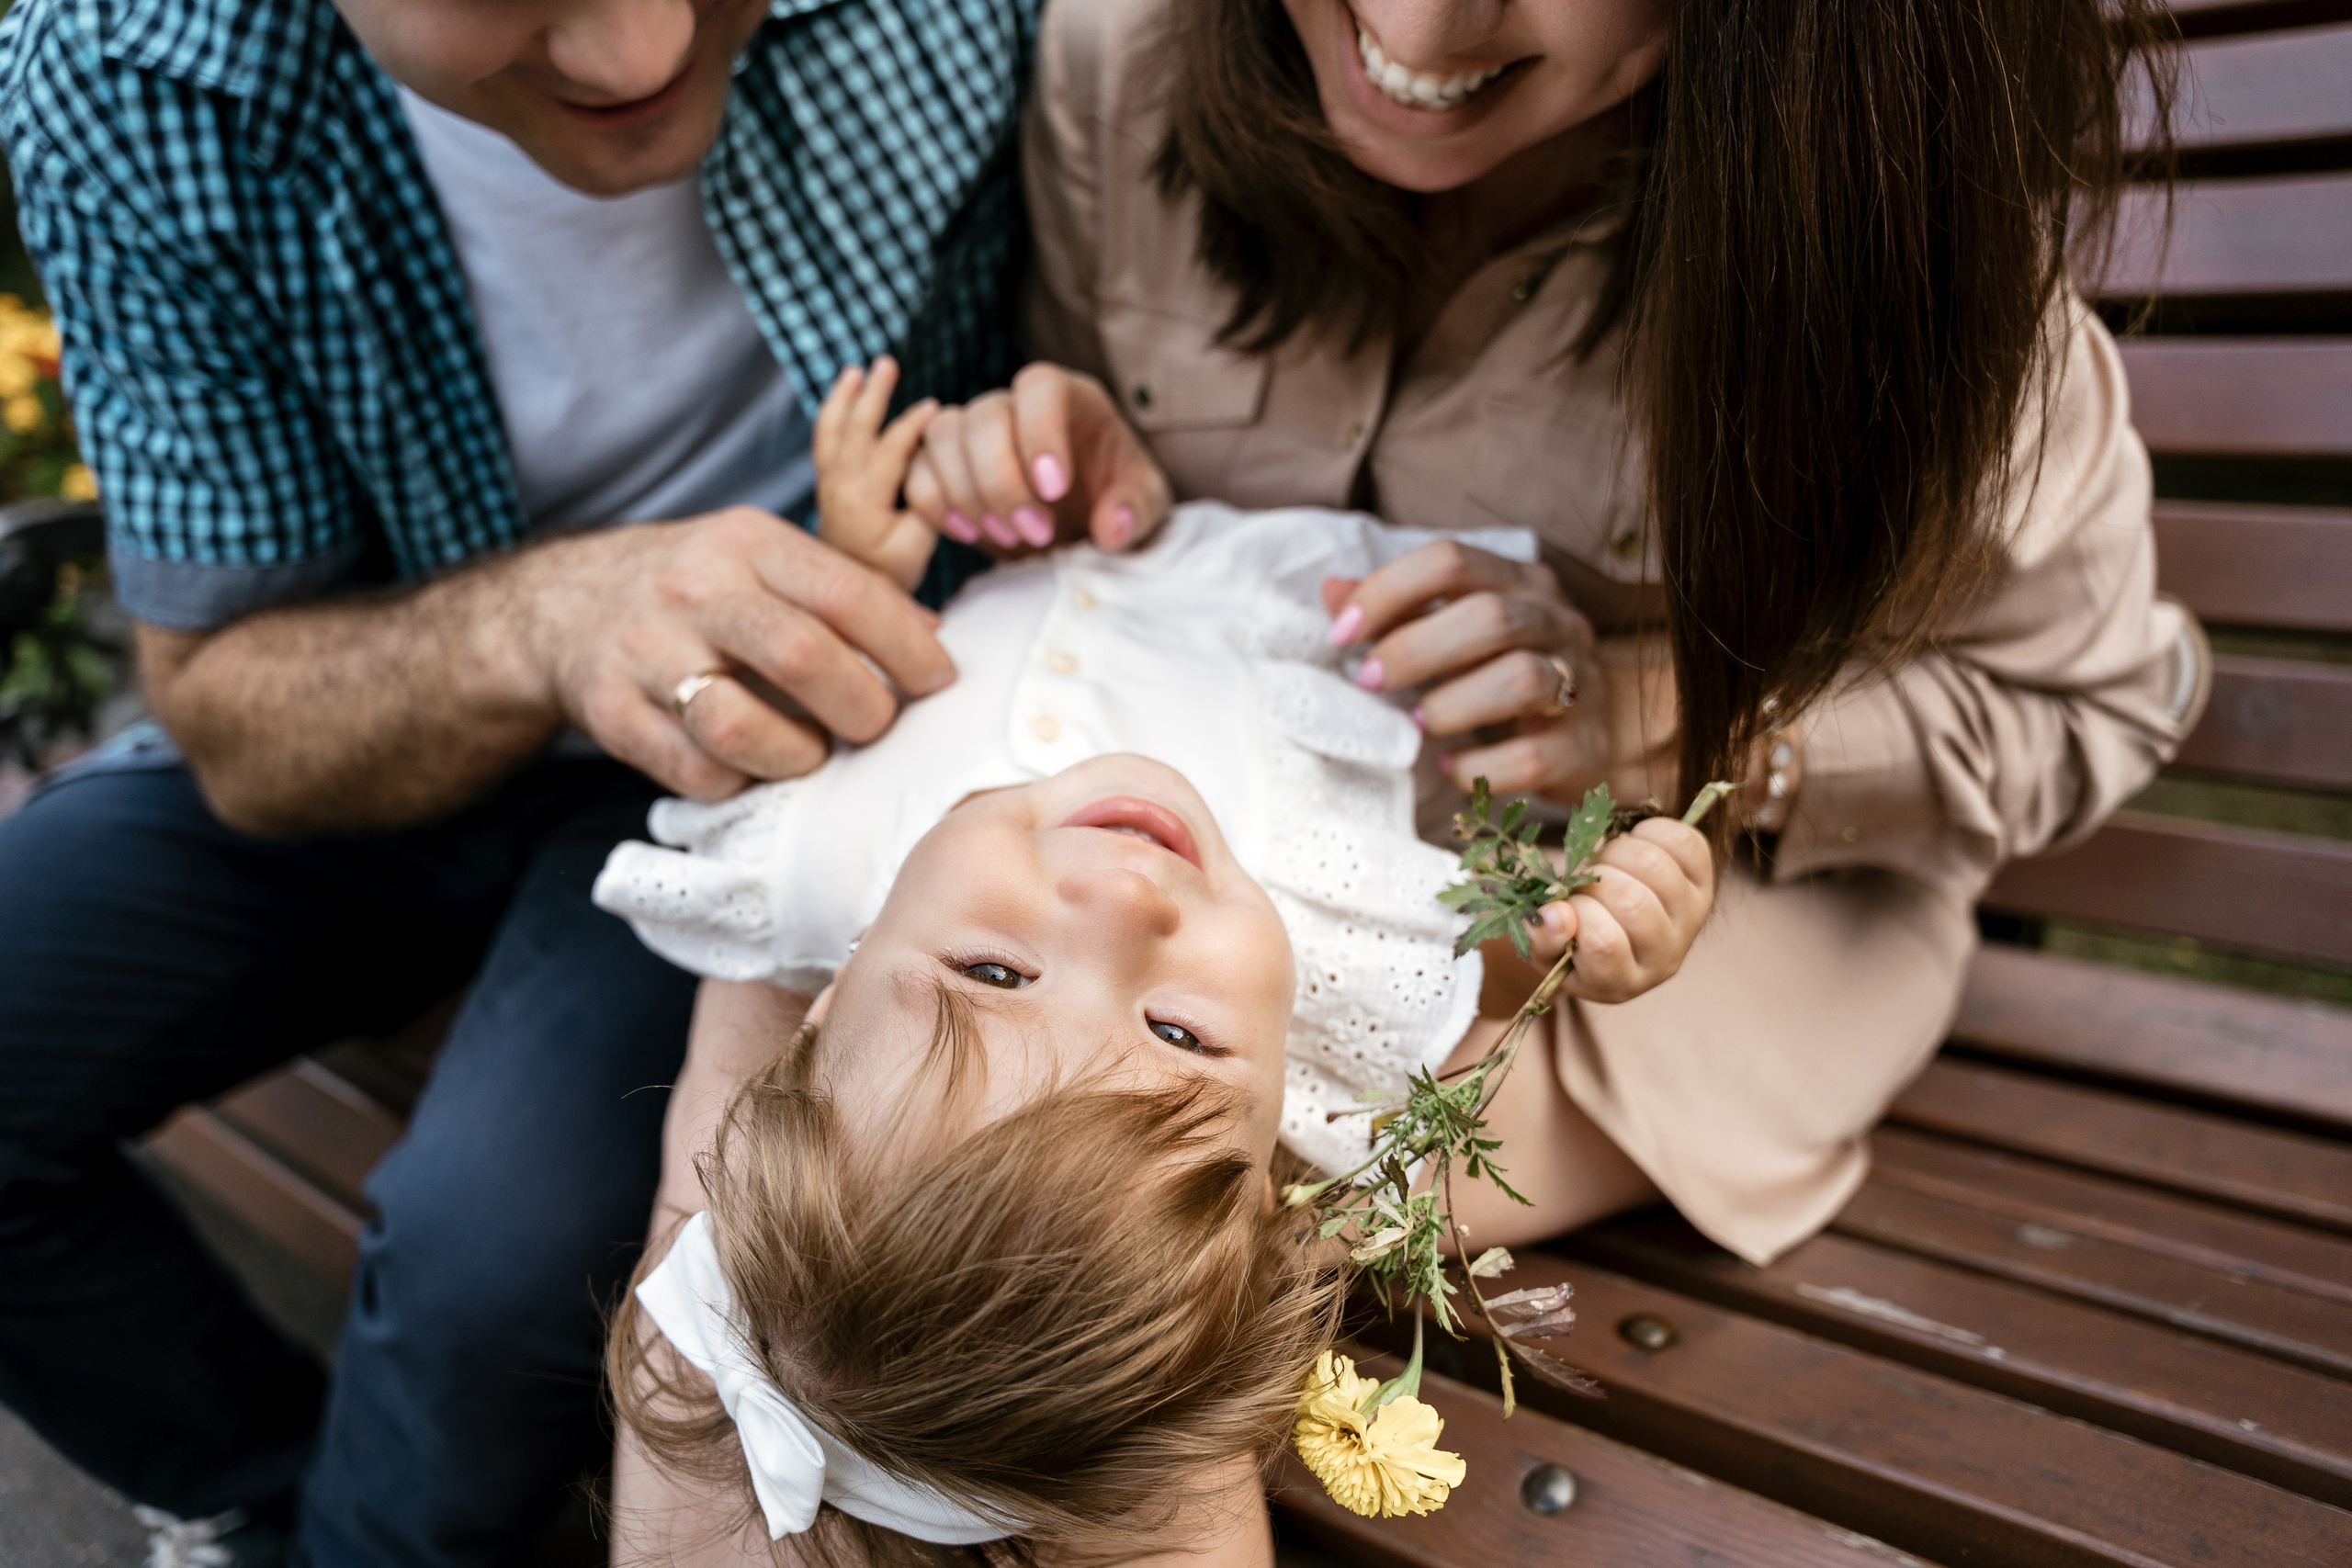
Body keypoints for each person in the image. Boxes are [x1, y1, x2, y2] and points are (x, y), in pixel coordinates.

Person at [899, 0, 2211, 1271]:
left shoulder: (1908, 243)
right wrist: (1080, 484)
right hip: (1214, 856)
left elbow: (2096, 705)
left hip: (1670, 940)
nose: (1411, 36)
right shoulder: (1118, 56)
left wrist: (1663, 730)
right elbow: (1124, 546)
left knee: (1133, 1246)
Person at [0, 1, 1044, 1562]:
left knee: (485, 1276)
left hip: (781, 758)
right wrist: (551, 625)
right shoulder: (124, 60)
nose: (635, 59)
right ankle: (257, 1500)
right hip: (398, 683)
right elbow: (230, 698)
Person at [586, 364, 1717, 1564]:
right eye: (1179, 1036)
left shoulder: (801, 866)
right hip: (1386, 599)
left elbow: (821, 666)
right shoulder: (1323, 967)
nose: (1122, 905)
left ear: (817, 1017)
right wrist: (1598, 932)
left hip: (1091, 501)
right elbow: (1475, 976)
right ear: (1288, 1168)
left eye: (994, 973)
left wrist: (866, 562)